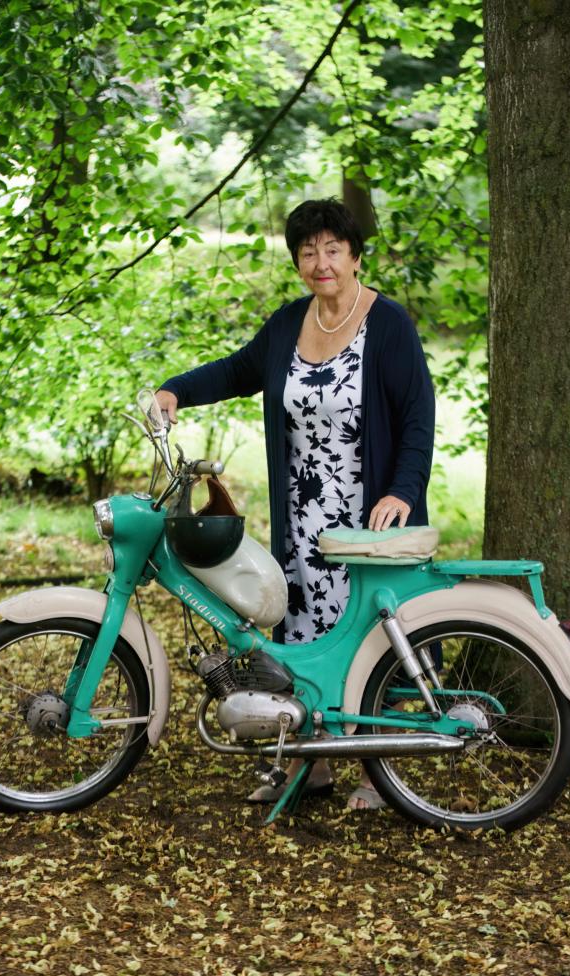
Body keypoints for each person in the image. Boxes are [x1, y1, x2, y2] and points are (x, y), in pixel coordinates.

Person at [156, 198, 435, 810]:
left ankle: (375, 770)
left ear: (355, 256)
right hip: (303, 519)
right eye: (309, 252)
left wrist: (402, 491)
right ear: (297, 262)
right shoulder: (288, 323)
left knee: (367, 635)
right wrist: (176, 390)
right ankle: (314, 762)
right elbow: (236, 371)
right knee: (305, 634)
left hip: (367, 515)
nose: (321, 262)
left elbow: (418, 416)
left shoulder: (388, 324)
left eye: (333, 249)